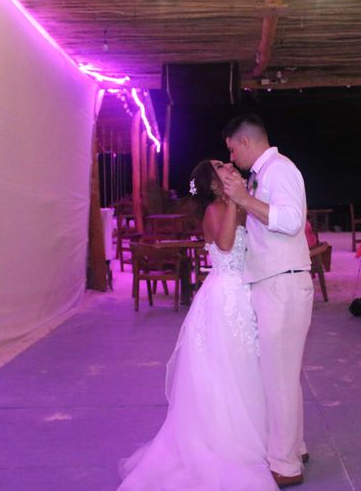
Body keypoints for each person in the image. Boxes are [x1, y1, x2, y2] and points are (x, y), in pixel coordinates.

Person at [118, 160, 276, 491]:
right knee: (232, 371)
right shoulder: (217, 208)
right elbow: (226, 246)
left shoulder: (232, 203)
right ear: (213, 182)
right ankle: (230, 441)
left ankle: (256, 434)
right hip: (226, 297)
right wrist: (235, 201)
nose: (228, 164)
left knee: (245, 369)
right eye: (220, 166)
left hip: (241, 292)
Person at [222, 114, 312, 488]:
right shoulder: (265, 174)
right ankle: (296, 446)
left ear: (244, 142)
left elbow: (291, 221)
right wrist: (244, 197)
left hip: (283, 284)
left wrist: (243, 199)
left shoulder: (278, 169)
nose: (231, 156)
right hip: (274, 282)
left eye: (231, 149)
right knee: (282, 376)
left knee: (278, 379)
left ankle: (286, 465)